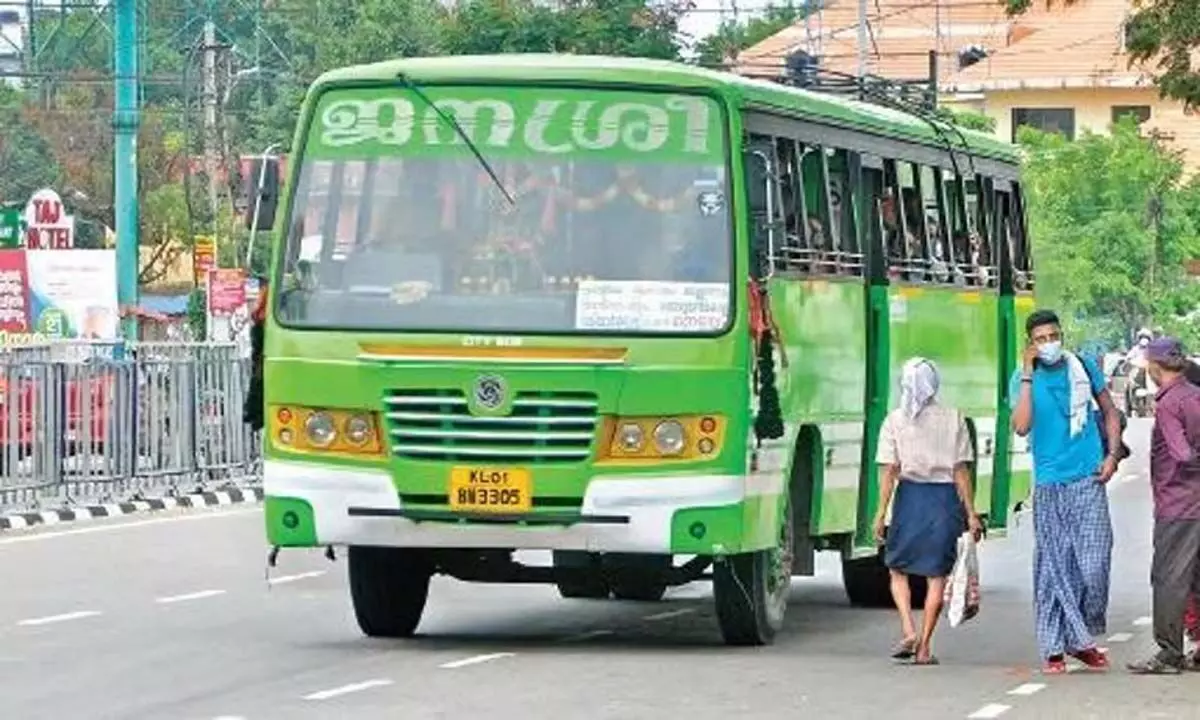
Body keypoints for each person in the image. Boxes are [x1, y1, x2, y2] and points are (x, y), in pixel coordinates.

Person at [1010, 309, 1123, 674]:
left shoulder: (1083, 366)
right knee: (1052, 565)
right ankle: (1057, 647)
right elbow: (1022, 427)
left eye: (1053, 336)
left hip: (1088, 476)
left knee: (1094, 560)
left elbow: (1109, 411)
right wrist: (1027, 374)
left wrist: (1112, 454)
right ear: (1031, 344)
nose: (1049, 344)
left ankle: (1079, 634)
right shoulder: (1023, 378)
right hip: (1049, 481)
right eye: (1041, 339)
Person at [874, 357, 984, 665]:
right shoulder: (954, 418)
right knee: (937, 576)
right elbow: (961, 470)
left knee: (897, 569)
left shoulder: (894, 420)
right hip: (945, 500)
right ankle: (924, 648)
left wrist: (880, 513)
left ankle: (908, 629)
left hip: (909, 498)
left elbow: (889, 471)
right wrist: (971, 513)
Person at [1127, 337, 1200, 674]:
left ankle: (1169, 653)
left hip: (1178, 505)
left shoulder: (1169, 404)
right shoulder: (1194, 395)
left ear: (1155, 367)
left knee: (1169, 579)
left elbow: (1182, 453)